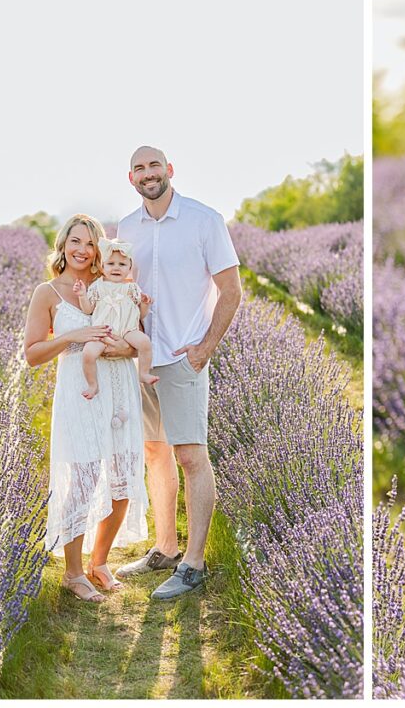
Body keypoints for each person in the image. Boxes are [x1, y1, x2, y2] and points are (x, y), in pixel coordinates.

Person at [114, 145, 242, 600]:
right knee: (155, 452)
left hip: (184, 358)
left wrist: (204, 349)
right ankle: (165, 548)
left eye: (154, 166)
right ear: (131, 179)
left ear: (169, 171)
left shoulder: (204, 220)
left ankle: (194, 562)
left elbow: (232, 289)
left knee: (191, 456)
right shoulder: (127, 229)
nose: (148, 174)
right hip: (143, 357)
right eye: (139, 169)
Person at [24, 214, 148, 603]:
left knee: (123, 478)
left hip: (120, 387)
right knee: (82, 478)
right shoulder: (48, 293)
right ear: (62, 245)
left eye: (91, 243)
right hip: (81, 392)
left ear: (101, 250)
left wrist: (123, 344)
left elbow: (135, 337)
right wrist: (74, 335)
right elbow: (32, 354)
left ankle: (100, 562)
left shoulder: (111, 284)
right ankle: (73, 573)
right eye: (75, 241)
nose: (82, 250)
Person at [74, 238, 159, 400]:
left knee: (145, 343)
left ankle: (143, 373)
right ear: (102, 266)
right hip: (102, 332)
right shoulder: (97, 286)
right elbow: (88, 310)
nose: (116, 268)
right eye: (111, 264)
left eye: (122, 264)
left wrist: (145, 304)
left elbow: (140, 315)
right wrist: (82, 296)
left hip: (127, 330)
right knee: (88, 354)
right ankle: (92, 384)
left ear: (129, 268)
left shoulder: (131, 288)